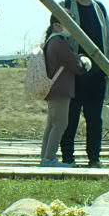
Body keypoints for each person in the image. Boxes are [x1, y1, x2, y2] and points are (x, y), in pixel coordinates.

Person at [60, 0, 109, 168]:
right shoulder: (65, 5)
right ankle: (68, 157)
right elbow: (55, 36)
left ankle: (94, 157)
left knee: (94, 119)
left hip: (98, 73)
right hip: (73, 73)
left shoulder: (99, 8)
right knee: (70, 117)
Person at [40, 14, 90, 166]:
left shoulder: (50, 41)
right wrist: (84, 62)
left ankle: (45, 157)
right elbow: (74, 64)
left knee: (52, 124)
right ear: (57, 25)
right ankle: (49, 159)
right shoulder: (59, 42)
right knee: (60, 124)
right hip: (61, 89)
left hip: (53, 89)